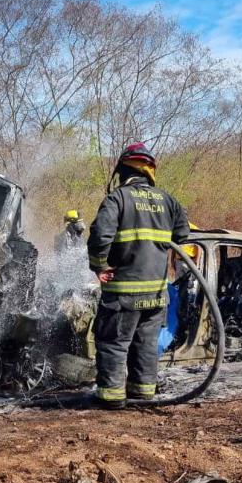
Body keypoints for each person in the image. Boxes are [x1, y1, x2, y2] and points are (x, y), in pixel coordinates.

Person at [87, 142, 189, 409]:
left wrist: (99, 266)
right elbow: (182, 234)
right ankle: (143, 393)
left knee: (114, 344)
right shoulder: (168, 200)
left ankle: (112, 397)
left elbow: (100, 236)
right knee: (145, 344)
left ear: (122, 170)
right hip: (156, 294)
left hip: (123, 294)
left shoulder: (117, 199)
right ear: (149, 172)